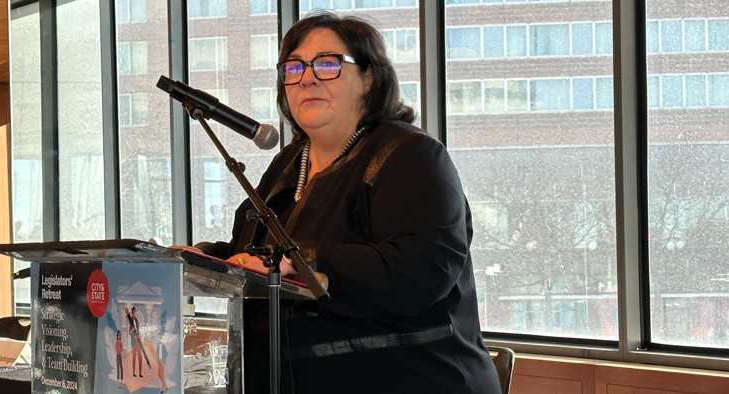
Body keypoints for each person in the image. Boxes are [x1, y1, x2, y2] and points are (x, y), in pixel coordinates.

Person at [193, 11, 501, 393]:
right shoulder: (288, 163)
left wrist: (298, 260)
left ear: (369, 78)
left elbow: (423, 269)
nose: (306, 78)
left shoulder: (410, 154)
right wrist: (198, 259)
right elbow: (255, 258)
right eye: (293, 68)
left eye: (326, 64)